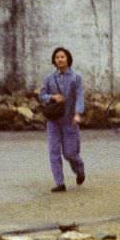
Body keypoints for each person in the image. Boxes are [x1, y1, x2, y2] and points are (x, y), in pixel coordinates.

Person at [39, 47, 86, 193]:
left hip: (69, 120)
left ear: (68, 59)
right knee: (53, 151)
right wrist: (52, 97)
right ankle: (60, 183)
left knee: (70, 153)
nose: (60, 59)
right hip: (53, 120)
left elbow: (80, 96)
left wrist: (78, 113)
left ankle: (79, 169)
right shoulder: (49, 78)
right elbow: (42, 96)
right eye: (57, 57)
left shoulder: (76, 77)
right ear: (54, 60)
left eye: (62, 57)